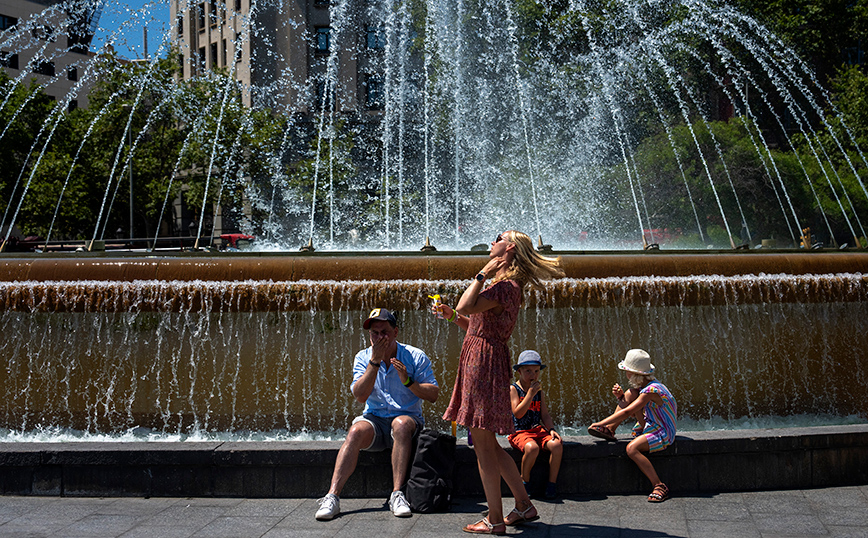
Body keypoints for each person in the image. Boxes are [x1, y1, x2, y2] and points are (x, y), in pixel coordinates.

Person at [432, 230, 563, 534]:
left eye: (498, 237)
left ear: (510, 248)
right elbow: (473, 322)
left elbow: (467, 305)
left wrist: (481, 273)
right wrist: (452, 317)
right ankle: (524, 505)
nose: (492, 242)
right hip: (483, 355)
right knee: (488, 442)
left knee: (482, 446)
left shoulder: (505, 286)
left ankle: (494, 520)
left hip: (484, 363)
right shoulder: (506, 287)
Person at [315, 308, 440, 521]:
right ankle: (332, 497)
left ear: (395, 332)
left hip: (407, 422)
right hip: (375, 420)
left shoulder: (415, 356)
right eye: (374, 333)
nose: (379, 337)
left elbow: (433, 394)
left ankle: (397, 494)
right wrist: (374, 362)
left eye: (384, 332)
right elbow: (360, 396)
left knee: (400, 424)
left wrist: (408, 381)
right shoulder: (363, 357)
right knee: (355, 430)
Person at [588, 349, 677, 503]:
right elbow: (631, 409)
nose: (625, 374)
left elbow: (628, 411)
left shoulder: (651, 391)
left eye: (626, 371)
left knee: (631, 449)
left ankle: (659, 485)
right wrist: (621, 398)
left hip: (662, 430)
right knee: (629, 394)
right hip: (651, 422)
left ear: (632, 373)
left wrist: (601, 422)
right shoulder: (645, 387)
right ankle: (610, 430)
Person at [508, 350, 562, 500]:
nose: (533, 375)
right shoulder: (514, 389)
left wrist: (551, 429)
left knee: (557, 445)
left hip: (537, 430)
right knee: (532, 448)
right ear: (519, 371)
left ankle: (552, 483)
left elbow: (544, 414)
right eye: (528, 371)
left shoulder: (539, 392)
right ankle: (524, 482)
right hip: (519, 431)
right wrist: (529, 395)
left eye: (536, 371)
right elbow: (518, 413)